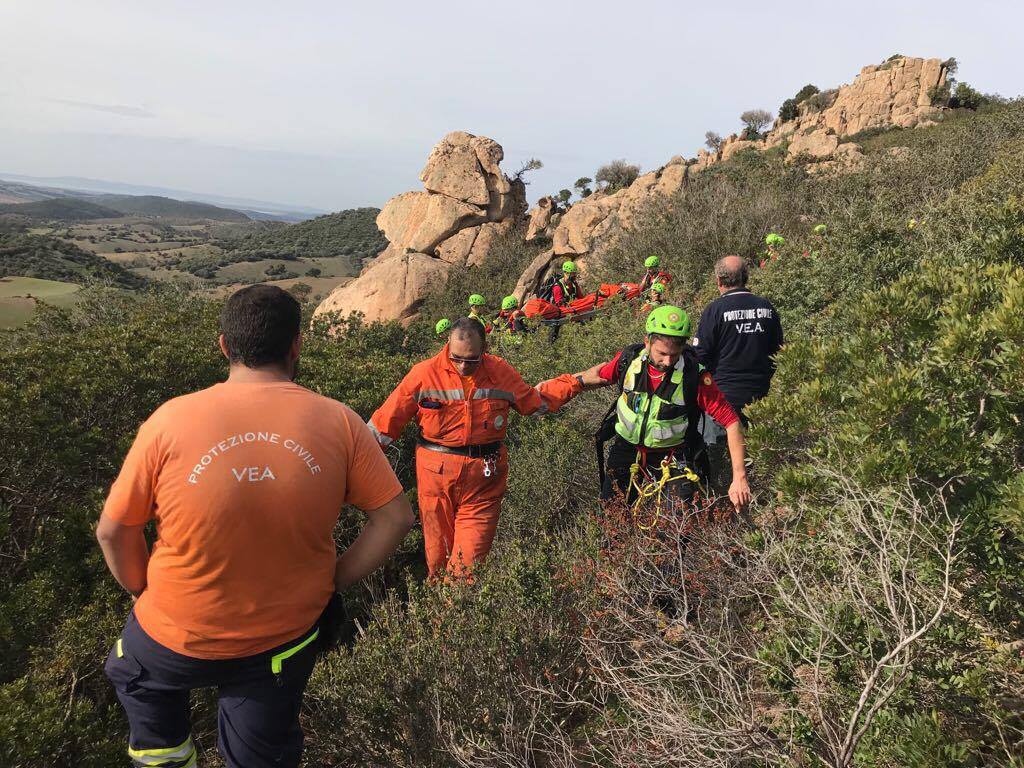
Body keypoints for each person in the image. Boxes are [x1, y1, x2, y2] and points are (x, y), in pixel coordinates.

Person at [97, 285, 414, 768]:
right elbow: (395, 518)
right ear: (296, 345)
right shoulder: (340, 422)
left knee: (139, 688)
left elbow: (113, 531)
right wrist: (331, 581)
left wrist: (143, 589)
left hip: (172, 633)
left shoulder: (170, 420)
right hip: (282, 639)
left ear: (224, 345)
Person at [368, 318, 583, 578]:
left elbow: (535, 402)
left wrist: (579, 381)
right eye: (456, 358)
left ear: (485, 349)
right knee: (437, 560)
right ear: (447, 345)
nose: (462, 366)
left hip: (483, 484)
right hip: (435, 483)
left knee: (465, 571)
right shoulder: (424, 374)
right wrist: (349, 466)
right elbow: (384, 425)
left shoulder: (500, 372)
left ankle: (457, 600)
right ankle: (440, 604)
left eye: (471, 360)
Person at [574, 305, 751, 510]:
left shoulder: (694, 376)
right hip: (627, 450)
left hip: (673, 455)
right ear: (647, 342)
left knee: (678, 520)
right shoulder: (629, 360)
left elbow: (731, 421)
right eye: (662, 353)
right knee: (611, 513)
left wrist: (739, 478)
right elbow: (597, 377)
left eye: (674, 355)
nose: (667, 361)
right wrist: (563, 387)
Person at [692, 255, 783, 421]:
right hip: (760, 396)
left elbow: (699, 355)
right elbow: (778, 351)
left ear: (719, 280)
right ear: (746, 277)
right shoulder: (766, 307)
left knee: (719, 438)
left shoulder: (715, 310)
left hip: (722, 399)